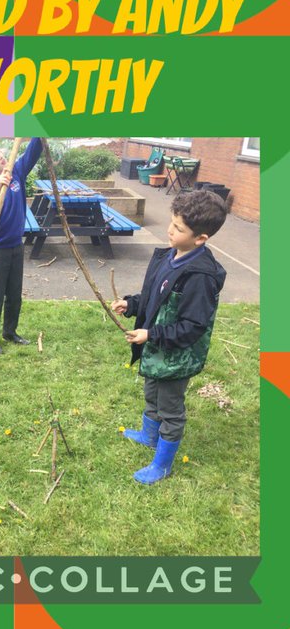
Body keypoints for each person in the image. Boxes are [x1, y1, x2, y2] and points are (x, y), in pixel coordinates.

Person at [112, 189, 228, 484]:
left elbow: (192, 326)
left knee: (170, 407)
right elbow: (156, 297)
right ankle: (149, 435)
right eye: (172, 222)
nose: (169, 230)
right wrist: (133, 304)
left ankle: (162, 463)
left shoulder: (200, 277)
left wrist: (150, 334)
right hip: (158, 347)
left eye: (178, 228)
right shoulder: (171, 255)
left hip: (178, 355)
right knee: (152, 392)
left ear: (201, 238)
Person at [0, 137, 44, 354]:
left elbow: (33, 152)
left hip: (17, 245)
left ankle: (10, 332)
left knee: (14, 293)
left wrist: (37, 135)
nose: (1, 155)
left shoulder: (16, 173)